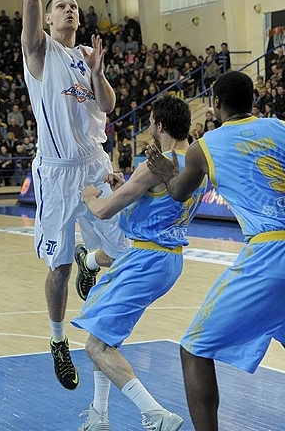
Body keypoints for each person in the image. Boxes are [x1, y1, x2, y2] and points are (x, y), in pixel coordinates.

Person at [145, 70, 285, 431]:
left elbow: (179, 192)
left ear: (215, 103)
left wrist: (165, 172)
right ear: (253, 99)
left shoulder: (204, 147)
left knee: (193, 349)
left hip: (272, 252)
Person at [17, 0, 128, 391]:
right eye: (61, 5)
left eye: (75, 7)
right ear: (47, 19)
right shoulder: (40, 54)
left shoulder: (87, 56)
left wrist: (100, 73)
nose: (69, 9)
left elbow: (107, 106)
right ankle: (58, 339)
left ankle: (93, 259)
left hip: (95, 166)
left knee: (124, 252)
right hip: (58, 172)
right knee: (59, 268)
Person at [72, 94, 206, 431]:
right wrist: (129, 187)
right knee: (103, 334)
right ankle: (99, 415)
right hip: (167, 259)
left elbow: (104, 210)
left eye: (150, 124)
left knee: (96, 346)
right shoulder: (196, 166)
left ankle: (155, 413)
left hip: (146, 258)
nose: (149, 129)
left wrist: (89, 197)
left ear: (159, 125)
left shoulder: (155, 165)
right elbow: (163, 199)